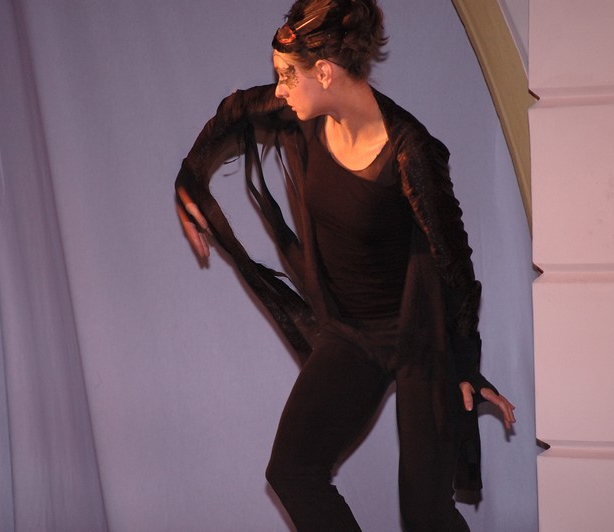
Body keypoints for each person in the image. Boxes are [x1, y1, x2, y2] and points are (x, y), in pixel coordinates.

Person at [175, 1, 516, 530]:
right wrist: (189, 178)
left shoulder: (409, 151)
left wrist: (464, 364)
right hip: (352, 334)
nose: (279, 91)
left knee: (425, 514)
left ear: (325, 72)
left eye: (286, 76)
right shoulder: (307, 116)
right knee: (293, 471)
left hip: (418, 337)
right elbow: (234, 110)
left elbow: (454, 264)